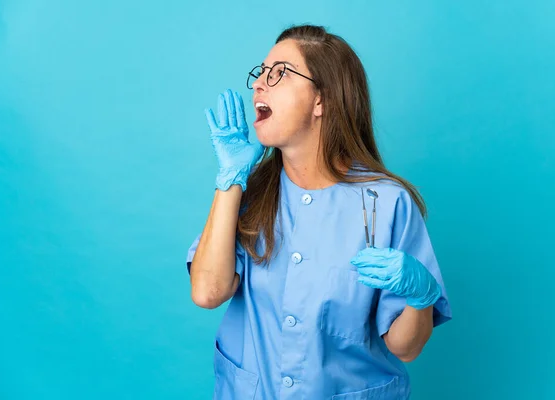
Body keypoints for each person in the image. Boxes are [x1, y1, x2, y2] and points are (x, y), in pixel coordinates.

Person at [186, 24, 452, 400]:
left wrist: (421, 296)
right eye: (260, 73)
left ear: (321, 100)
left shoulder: (387, 204)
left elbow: (405, 347)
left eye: (278, 73)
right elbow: (208, 292)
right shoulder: (251, 195)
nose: (259, 84)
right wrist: (230, 180)